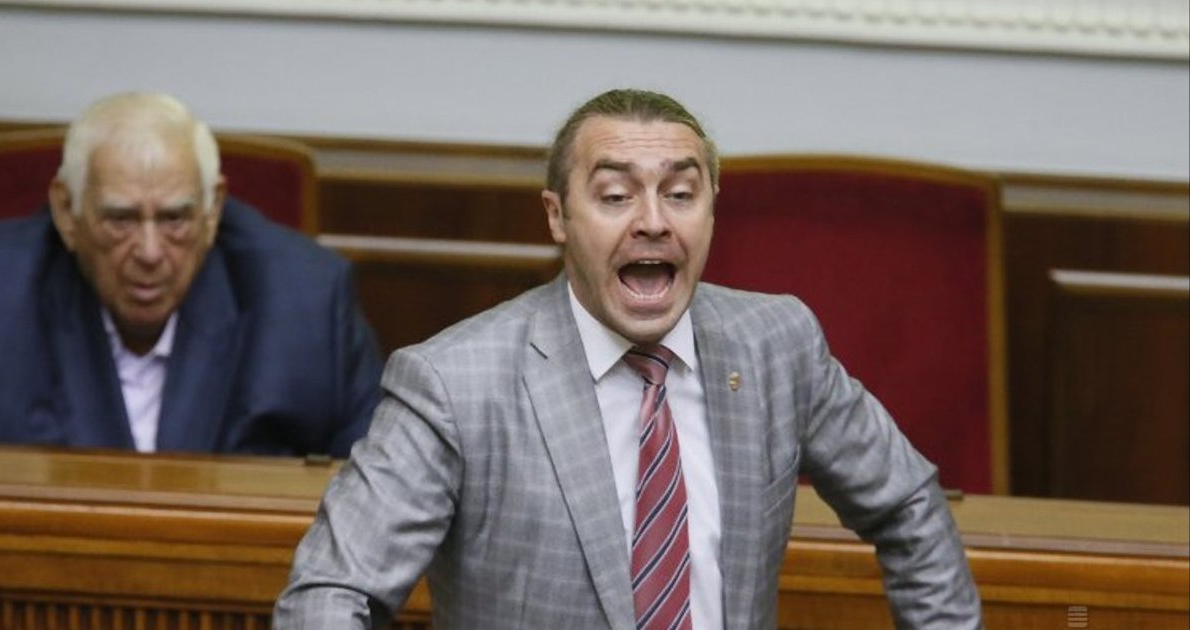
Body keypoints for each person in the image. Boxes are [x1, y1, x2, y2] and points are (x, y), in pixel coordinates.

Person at [275, 89, 981, 627]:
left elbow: (909, 505)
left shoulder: (777, 345)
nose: (653, 221)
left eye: (681, 194)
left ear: (711, 210)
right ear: (557, 216)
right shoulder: (454, 384)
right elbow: (331, 593)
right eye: (616, 195)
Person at [0, 92, 384, 457]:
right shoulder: (0, 295)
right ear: (66, 211)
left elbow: (375, 488)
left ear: (212, 211)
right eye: (120, 219)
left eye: (174, 219)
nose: (149, 252)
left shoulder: (307, 302)